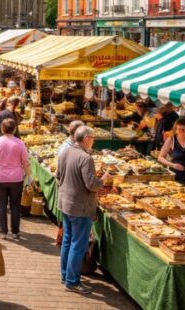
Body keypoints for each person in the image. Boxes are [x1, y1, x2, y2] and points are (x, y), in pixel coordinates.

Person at [55, 126, 109, 294]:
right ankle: (72, 282)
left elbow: (58, 176)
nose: (93, 141)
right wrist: (103, 179)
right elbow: (92, 185)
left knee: (68, 240)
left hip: (66, 204)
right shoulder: (86, 158)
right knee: (78, 245)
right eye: (93, 138)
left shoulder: (65, 152)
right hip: (80, 208)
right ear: (86, 139)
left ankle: (65, 275)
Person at [0, 118, 30, 239]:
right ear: (15, 129)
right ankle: (15, 231)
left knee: (1, 205)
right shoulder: (20, 143)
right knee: (15, 205)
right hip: (16, 177)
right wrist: (28, 176)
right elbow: (25, 162)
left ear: (2, 129)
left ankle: (3, 231)